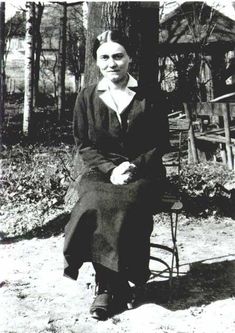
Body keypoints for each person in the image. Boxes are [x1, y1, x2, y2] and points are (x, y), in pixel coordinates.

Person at [63, 30, 170, 320]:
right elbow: (83, 144)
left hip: (144, 170)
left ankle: (117, 283)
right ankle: (111, 285)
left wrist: (132, 166)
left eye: (118, 56)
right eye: (105, 57)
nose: (112, 63)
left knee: (126, 203)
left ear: (129, 58)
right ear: (97, 62)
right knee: (93, 201)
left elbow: (160, 141)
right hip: (100, 171)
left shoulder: (150, 95)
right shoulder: (87, 97)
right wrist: (111, 170)